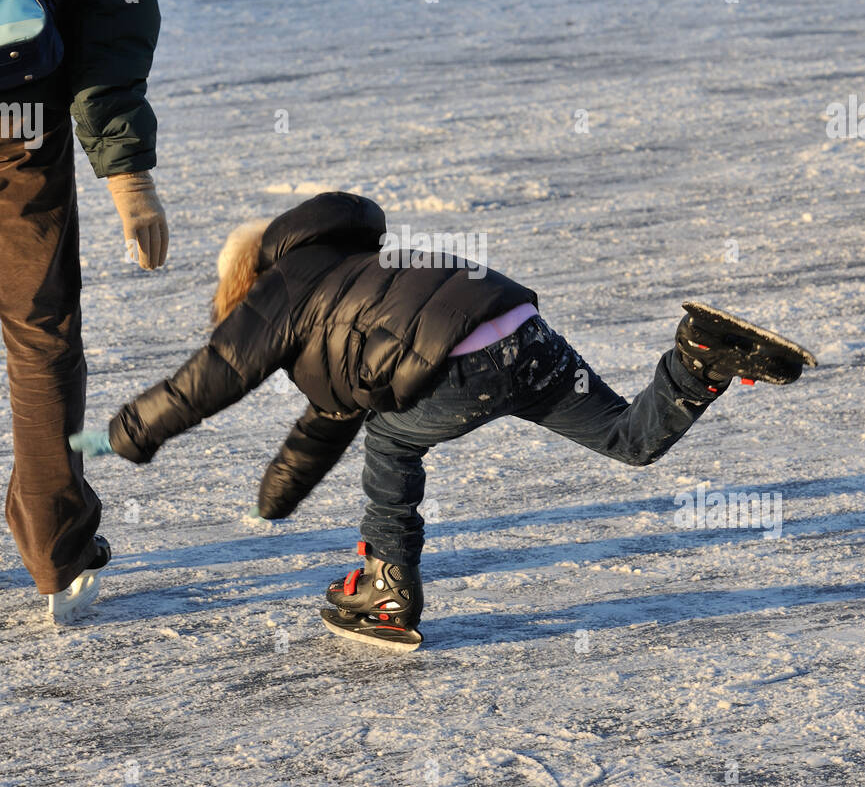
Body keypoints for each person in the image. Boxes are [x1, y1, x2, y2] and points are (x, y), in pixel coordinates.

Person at [69, 191, 811, 645]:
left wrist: (113, 436)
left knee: (389, 443)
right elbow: (328, 415)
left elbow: (203, 382)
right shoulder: (356, 270)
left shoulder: (278, 293)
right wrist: (280, 492)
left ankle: (387, 588)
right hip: (517, 326)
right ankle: (701, 359)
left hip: (463, 363)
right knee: (627, 439)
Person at [0, 0, 190, 620]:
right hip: (14, 117)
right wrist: (130, 179)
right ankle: (53, 550)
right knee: (38, 330)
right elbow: (113, 38)